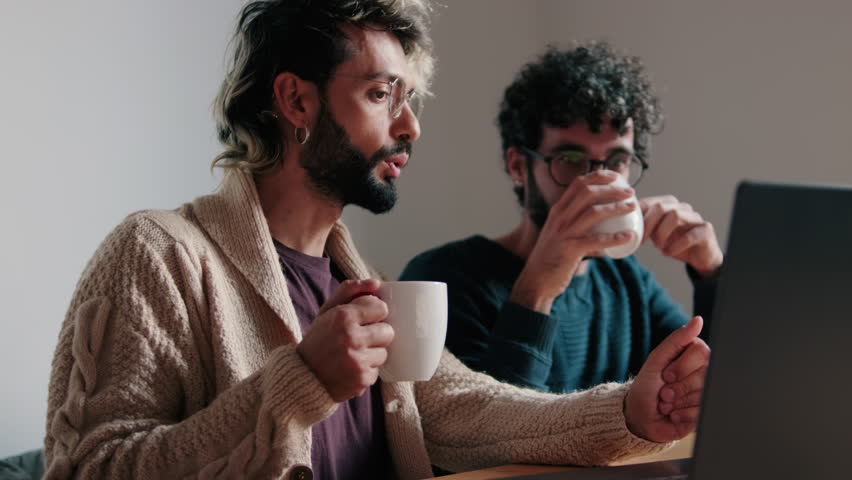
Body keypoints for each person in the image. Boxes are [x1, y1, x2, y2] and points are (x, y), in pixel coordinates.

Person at [44, 4, 710, 479]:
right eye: (381, 93)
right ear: (296, 103)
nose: (411, 126)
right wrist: (299, 382)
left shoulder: (357, 278)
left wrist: (629, 411)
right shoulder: (158, 253)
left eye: (409, 97)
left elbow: (469, 411)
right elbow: (87, 468)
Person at [401, 42, 722, 394]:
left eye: (616, 161)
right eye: (570, 160)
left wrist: (713, 275)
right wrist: (536, 291)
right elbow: (489, 438)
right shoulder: (445, 280)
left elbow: (714, 389)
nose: (597, 183)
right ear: (518, 166)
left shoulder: (627, 281)